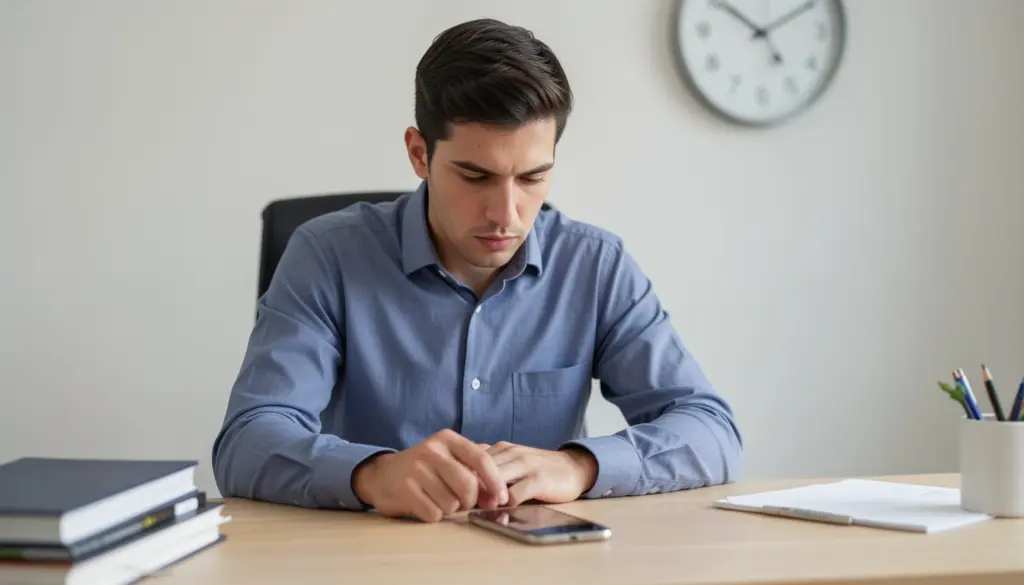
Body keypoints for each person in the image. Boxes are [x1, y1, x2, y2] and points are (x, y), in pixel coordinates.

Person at [212, 17, 742, 523]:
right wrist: (371, 474)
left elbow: (710, 431)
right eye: (475, 175)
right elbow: (248, 440)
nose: (506, 214)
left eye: (533, 177)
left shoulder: (596, 266)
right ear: (419, 154)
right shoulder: (327, 256)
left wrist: (578, 465)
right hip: (372, 557)